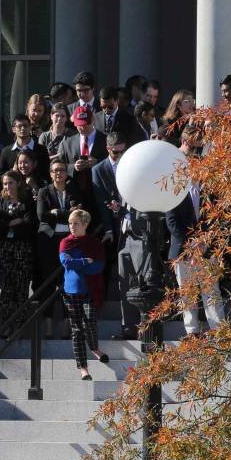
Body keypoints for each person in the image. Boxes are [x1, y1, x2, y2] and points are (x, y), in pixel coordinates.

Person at [167, 125, 224, 336]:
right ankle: (192, 331)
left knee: (211, 290)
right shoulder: (175, 189)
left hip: (207, 247)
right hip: (183, 249)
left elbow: (215, 217)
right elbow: (172, 222)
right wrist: (191, 244)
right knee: (187, 294)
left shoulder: (209, 191)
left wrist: (204, 241)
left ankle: (218, 330)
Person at [92, 133, 139, 340]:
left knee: (138, 280)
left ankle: (141, 326)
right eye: (115, 152)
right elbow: (101, 199)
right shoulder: (99, 169)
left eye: (123, 151)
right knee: (123, 280)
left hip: (136, 229)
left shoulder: (133, 164)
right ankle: (128, 326)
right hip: (115, 228)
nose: (120, 155)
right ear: (108, 148)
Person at [37, 159, 86, 337]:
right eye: (55, 170)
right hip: (49, 243)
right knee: (49, 284)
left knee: (69, 284)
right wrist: (66, 214)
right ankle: (49, 328)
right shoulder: (44, 192)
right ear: (50, 174)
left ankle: (68, 328)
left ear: (67, 173)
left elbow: (79, 215)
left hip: (70, 244)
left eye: (62, 170)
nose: (58, 173)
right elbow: (42, 215)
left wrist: (57, 212)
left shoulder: (74, 190)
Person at [59, 209, 109, 380]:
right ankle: (83, 368)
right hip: (71, 290)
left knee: (90, 321)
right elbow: (66, 262)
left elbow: (99, 266)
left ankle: (94, 347)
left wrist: (77, 264)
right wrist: (84, 261)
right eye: (70, 223)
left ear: (85, 224)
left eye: (76, 224)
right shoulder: (65, 242)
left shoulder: (94, 243)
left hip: (90, 289)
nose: (72, 227)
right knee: (77, 330)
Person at [0, 171, 37, 337]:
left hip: (23, 250)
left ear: (18, 183)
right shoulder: (0, 202)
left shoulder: (26, 201)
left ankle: (20, 325)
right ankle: (6, 324)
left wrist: (11, 224)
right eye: (5, 183)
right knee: (7, 289)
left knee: (21, 288)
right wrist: (14, 222)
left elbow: (29, 224)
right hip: (5, 250)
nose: (7, 186)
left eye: (10, 182)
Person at [56, 106, 107, 197]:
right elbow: (59, 166)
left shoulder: (105, 140)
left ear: (93, 120)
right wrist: (73, 167)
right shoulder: (67, 143)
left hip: (100, 192)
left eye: (86, 124)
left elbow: (114, 163)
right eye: (80, 125)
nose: (83, 128)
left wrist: (97, 163)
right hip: (75, 194)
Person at [0, 113, 50, 180]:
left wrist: (35, 182)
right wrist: (12, 173)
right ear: (14, 129)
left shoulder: (41, 150)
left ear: (30, 127)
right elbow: (0, 177)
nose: (23, 128)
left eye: (25, 126)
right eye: (19, 126)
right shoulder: (6, 152)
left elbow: (47, 175)